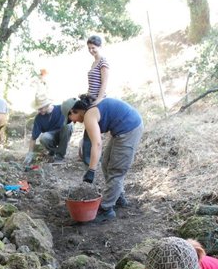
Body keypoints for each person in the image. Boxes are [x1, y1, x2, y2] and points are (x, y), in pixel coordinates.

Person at [66, 95, 142, 223]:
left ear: (74, 110)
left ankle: (106, 210)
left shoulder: (89, 115)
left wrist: (91, 170)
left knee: (116, 170)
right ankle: (118, 197)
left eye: (70, 119)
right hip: (121, 130)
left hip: (130, 129)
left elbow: (97, 144)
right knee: (106, 163)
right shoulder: (90, 111)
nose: (73, 122)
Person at [80, 35, 110, 166]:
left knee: (93, 131)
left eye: (93, 48)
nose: (91, 50)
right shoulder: (94, 63)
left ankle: (93, 160)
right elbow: (93, 83)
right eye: (89, 48)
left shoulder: (103, 62)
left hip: (99, 101)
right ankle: (89, 158)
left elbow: (104, 83)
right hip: (90, 99)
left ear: (100, 47)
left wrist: (98, 100)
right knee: (88, 130)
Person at [24, 95, 74, 165]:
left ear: (47, 105)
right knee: (43, 137)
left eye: (41, 108)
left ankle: (59, 157)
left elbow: (73, 117)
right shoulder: (38, 118)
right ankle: (53, 152)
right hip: (51, 137)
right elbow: (33, 137)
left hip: (63, 134)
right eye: (38, 109)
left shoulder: (61, 109)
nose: (39, 110)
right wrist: (30, 153)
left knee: (68, 126)